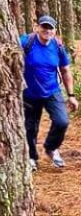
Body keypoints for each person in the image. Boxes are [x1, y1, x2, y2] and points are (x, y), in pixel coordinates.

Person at [21, 14, 78, 170]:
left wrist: (71, 95)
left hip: (52, 91)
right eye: (44, 26)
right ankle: (31, 157)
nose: (47, 30)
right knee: (30, 127)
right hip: (29, 93)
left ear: (54, 30)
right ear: (37, 27)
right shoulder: (25, 42)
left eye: (50, 27)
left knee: (62, 121)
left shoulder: (57, 47)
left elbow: (65, 70)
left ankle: (51, 148)